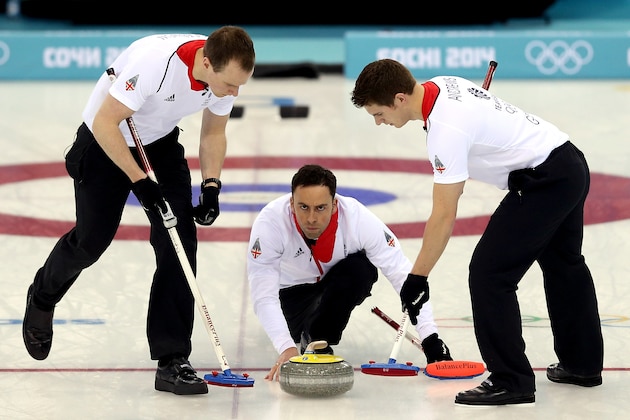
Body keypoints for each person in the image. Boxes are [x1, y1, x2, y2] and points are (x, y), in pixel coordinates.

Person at [350, 58, 604, 406]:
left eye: (378, 113)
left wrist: (417, 277)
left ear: (398, 99)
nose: (380, 122)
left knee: (489, 273)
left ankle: (511, 379)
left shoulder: (445, 128)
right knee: (564, 265)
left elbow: (443, 213)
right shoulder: (442, 84)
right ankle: (582, 365)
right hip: (568, 163)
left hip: (543, 182)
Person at [22, 26, 255, 396]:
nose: (234, 92)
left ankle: (172, 359)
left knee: (178, 242)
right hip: (105, 141)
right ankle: (43, 295)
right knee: (91, 241)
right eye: (229, 84)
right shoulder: (154, 65)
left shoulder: (223, 75)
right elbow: (104, 122)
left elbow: (213, 132)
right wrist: (140, 182)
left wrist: (211, 186)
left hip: (158, 142)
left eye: (241, 85)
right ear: (207, 63)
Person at [247, 164, 453, 382]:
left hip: (333, 289)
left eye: (320, 208)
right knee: (295, 315)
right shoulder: (270, 223)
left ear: (335, 204)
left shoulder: (357, 219)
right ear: (291, 203)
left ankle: (319, 340)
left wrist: (430, 337)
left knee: (360, 270)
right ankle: (304, 335)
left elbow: (403, 274)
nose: (311, 219)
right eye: (303, 207)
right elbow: (263, 295)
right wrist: (286, 347)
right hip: (291, 298)